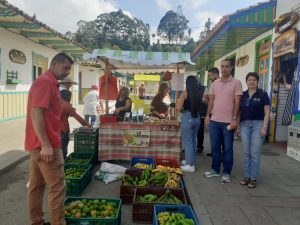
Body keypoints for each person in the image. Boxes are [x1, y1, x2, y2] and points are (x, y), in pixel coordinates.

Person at [25, 52, 73, 225]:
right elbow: (35, 112)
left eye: (69, 69)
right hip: (47, 146)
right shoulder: (45, 82)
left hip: (37, 145)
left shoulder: (50, 83)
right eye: (65, 67)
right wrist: (46, 144)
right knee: (57, 187)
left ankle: (36, 221)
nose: (68, 72)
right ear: (53, 65)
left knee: (36, 187)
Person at [204, 59, 242, 183]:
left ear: (231, 68)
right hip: (214, 121)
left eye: (226, 66)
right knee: (214, 148)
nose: (224, 69)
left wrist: (234, 119)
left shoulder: (236, 83)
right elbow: (211, 100)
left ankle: (226, 172)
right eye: (222, 66)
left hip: (228, 123)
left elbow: (237, 103)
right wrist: (207, 115)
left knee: (227, 149)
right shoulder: (215, 84)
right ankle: (215, 170)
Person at [237, 72, 270, 188]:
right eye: (249, 80)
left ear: (257, 81)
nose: (251, 82)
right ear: (246, 81)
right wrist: (238, 127)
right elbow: (239, 113)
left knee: (254, 152)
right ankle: (246, 176)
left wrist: (264, 127)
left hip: (258, 125)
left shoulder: (263, 94)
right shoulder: (243, 94)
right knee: (246, 152)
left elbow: (267, 112)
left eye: (254, 80)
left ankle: (253, 178)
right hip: (245, 124)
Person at [176, 76, 201, 172]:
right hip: (197, 118)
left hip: (187, 117)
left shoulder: (184, 93)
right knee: (193, 141)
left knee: (188, 142)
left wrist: (180, 104)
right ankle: (190, 161)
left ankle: (190, 165)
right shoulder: (199, 93)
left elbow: (178, 108)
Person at [60, 89, 91, 160]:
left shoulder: (56, 102)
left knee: (58, 148)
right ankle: (64, 161)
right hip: (63, 129)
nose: (70, 98)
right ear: (67, 96)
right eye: (70, 96)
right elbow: (77, 117)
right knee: (63, 147)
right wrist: (87, 124)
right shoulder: (67, 105)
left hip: (54, 128)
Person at [205, 67, 221, 157]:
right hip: (214, 112)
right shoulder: (215, 83)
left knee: (214, 135)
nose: (209, 78)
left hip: (215, 112)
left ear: (215, 74)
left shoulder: (215, 83)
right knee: (216, 135)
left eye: (210, 76)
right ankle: (215, 151)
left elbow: (212, 98)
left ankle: (215, 152)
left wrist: (206, 98)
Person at [196, 77, 209, 154]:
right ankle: (191, 146)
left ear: (199, 81)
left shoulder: (204, 88)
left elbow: (208, 100)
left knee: (200, 131)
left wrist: (204, 100)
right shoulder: (191, 88)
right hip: (193, 112)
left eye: (196, 81)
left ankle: (200, 147)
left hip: (201, 112)